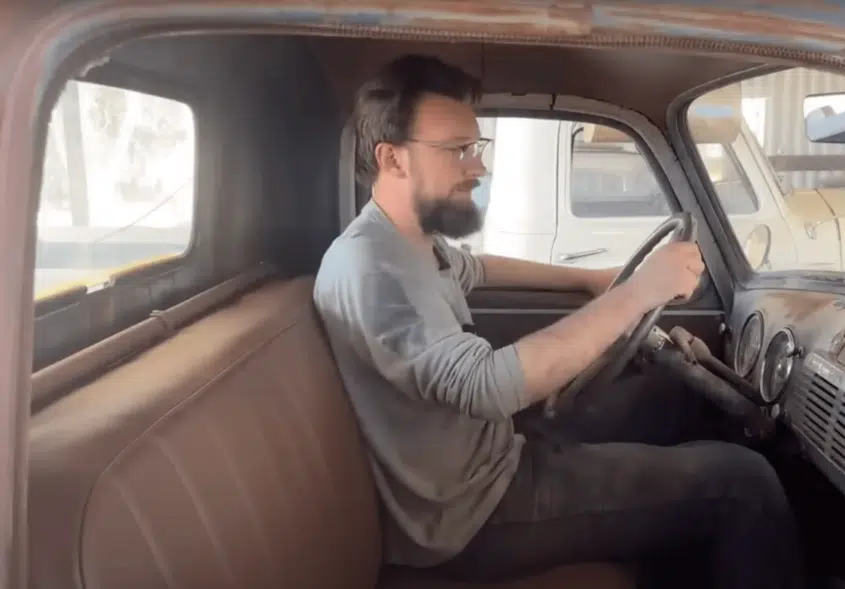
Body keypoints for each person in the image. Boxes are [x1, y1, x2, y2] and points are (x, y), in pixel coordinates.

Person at [313, 54, 804, 589]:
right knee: (744, 483)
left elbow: (476, 268)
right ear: (394, 159)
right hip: (472, 518)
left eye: (476, 148)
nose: (478, 167)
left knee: (679, 396)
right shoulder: (372, 270)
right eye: (458, 151)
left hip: (494, 456)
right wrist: (640, 291)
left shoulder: (407, 243)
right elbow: (489, 386)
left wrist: (589, 280)